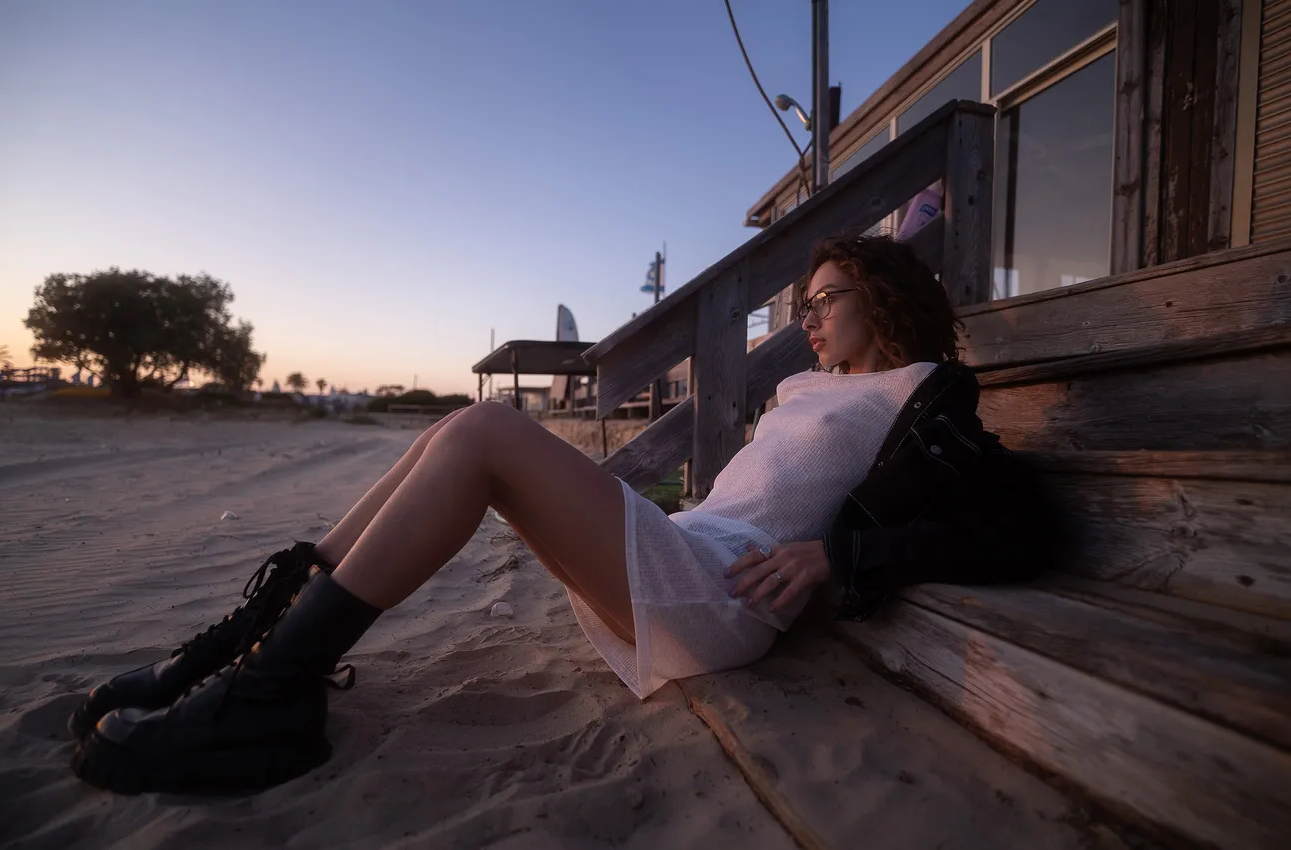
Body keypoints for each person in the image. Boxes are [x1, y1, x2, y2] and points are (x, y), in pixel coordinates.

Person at [70, 234, 1034, 795]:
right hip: (689, 550)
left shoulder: (924, 393)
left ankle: (272, 696)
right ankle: (265, 636)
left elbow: (1016, 516)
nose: (806, 320)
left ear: (883, 298)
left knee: (489, 431)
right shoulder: (804, 393)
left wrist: (836, 557)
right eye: (801, 304)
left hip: (720, 596)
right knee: (461, 423)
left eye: (823, 300)